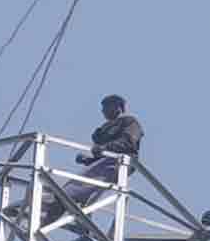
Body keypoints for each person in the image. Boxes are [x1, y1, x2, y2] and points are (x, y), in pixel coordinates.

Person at [39, 94, 143, 225]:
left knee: (74, 189)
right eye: (103, 108)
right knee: (73, 188)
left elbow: (128, 143)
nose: (103, 111)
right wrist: (88, 160)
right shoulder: (103, 130)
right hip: (105, 163)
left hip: (119, 163)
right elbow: (102, 153)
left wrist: (105, 147)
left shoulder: (129, 122)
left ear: (118, 107)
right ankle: (45, 217)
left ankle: (49, 207)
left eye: (107, 107)